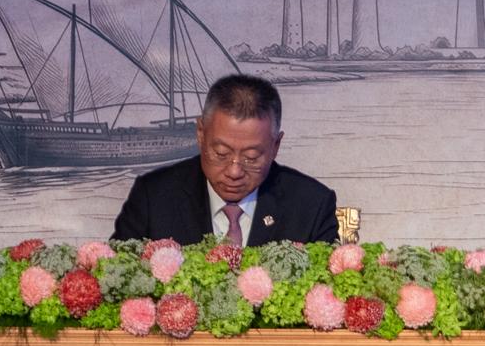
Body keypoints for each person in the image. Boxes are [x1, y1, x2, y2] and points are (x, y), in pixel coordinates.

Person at [112, 74, 339, 246]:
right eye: (221, 154)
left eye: (251, 157)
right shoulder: (153, 197)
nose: (234, 171)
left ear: (275, 146)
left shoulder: (311, 205)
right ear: (201, 134)